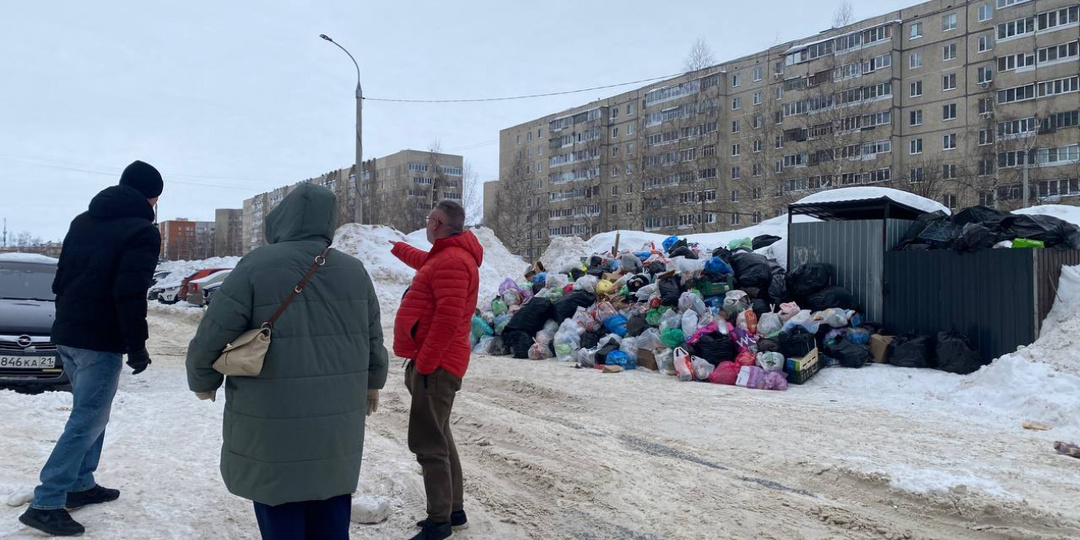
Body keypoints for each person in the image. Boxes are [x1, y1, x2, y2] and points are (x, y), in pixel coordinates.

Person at [186, 183, 388, 540]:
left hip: (271, 419)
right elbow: (374, 338)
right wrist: (373, 381)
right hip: (336, 419)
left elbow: (212, 334)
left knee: (279, 500)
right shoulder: (354, 271)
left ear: (283, 218)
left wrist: (203, 379)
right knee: (330, 500)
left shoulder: (256, 266)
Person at [19, 161, 163, 537]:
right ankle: (47, 501)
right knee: (87, 419)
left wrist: (68, 321)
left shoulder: (82, 221)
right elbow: (129, 294)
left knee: (92, 412)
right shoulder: (142, 231)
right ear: (152, 196)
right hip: (99, 339)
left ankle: (81, 483)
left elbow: (60, 280)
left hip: (68, 332)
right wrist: (137, 346)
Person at [390, 200, 483, 540]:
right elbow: (426, 262)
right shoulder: (447, 255)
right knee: (441, 436)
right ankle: (453, 512)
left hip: (438, 365)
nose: (427, 224)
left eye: (429, 219)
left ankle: (439, 521)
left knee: (428, 443)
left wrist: (426, 364)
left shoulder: (454, 261)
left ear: (439, 223)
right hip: (436, 363)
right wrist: (399, 248)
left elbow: (446, 319)